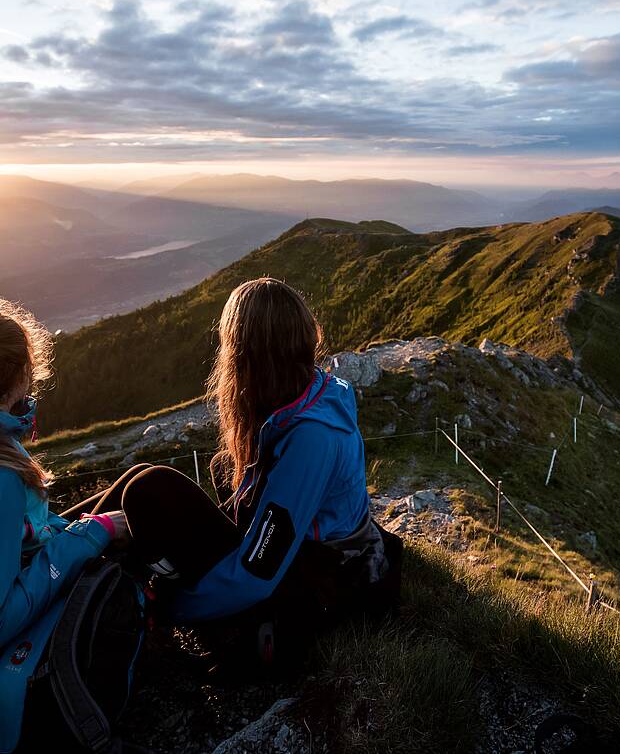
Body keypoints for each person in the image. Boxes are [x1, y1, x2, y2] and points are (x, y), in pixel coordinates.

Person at [65, 278, 398, 670]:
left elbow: (258, 571)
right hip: (291, 559)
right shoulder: (307, 395)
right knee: (153, 477)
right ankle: (53, 545)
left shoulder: (312, 439)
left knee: (148, 491)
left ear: (248, 355)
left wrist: (169, 608)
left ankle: (68, 588)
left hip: (306, 584)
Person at [0, 300, 129, 752]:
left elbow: (26, 536)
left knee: (133, 485)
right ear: (16, 376)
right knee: (143, 495)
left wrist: (77, 531)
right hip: (20, 682)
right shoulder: (3, 477)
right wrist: (90, 535)